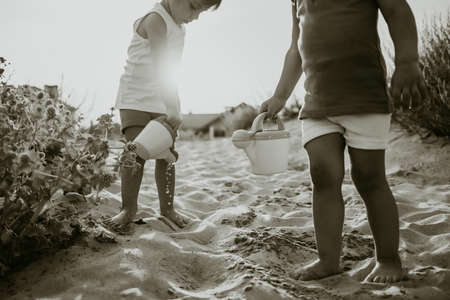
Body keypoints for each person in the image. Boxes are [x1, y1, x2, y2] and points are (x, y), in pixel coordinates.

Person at [259, 0, 428, 283]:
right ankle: (328, 261)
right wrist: (280, 96)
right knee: (323, 177)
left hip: (364, 96)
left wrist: (407, 62)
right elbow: (295, 47)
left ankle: (388, 259)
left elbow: (397, 10)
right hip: (317, 103)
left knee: (369, 178)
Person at [105, 0, 222, 229]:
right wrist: (172, 106)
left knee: (166, 155)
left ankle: (167, 208)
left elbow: (172, 72)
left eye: (201, 11)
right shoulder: (155, 19)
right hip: (135, 99)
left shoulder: (180, 28)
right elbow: (161, 65)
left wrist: (173, 105)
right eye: (193, 6)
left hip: (161, 101)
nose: (195, 16)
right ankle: (128, 209)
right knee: (134, 152)